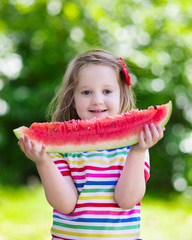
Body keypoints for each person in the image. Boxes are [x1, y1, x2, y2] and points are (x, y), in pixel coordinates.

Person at [18, 49, 164, 239]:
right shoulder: (60, 149)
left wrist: (137, 152)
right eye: (86, 92)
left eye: (107, 91)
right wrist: (43, 162)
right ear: (72, 98)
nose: (97, 100)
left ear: (122, 95)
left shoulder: (136, 145)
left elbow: (127, 200)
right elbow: (65, 204)